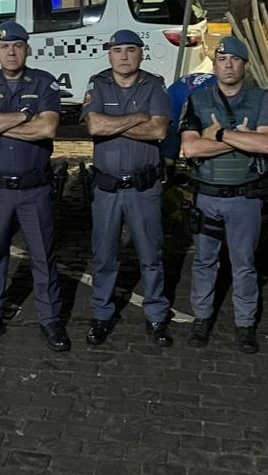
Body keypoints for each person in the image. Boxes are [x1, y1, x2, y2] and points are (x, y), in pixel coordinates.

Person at [0, 21, 70, 352]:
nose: (11, 51)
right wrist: (25, 116)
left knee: (42, 256)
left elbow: (48, 129)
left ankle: (50, 320)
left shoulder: (44, 83)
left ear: (27, 48)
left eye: (17, 45)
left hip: (34, 189)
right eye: (4, 46)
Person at [179, 37, 268, 354]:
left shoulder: (261, 100)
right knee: (205, 261)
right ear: (216, 64)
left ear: (244, 65)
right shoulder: (198, 101)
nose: (228, 65)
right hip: (207, 195)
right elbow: (190, 148)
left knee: (244, 264)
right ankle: (202, 319)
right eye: (222, 60)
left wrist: (220, 134)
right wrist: (241, 139)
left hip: (245, 196)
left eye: (235, 60)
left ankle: (245, 324)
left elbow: (266, 145)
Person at [81, 29, 173, 347]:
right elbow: (94, 126)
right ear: (109, 54)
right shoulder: (98, 83)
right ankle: (102, 316)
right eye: (117, 50)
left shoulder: (154, 84)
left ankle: (157, 316)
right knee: (104, 256)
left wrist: (113, 124)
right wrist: (136, 118)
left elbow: (159, 130)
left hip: (143, 189)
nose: (123, 56)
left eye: (130, 50)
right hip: (106, 189)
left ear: (140, 54)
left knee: (151, 255)